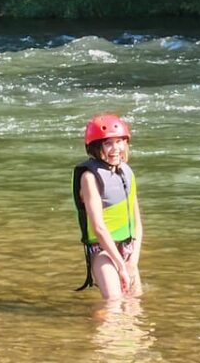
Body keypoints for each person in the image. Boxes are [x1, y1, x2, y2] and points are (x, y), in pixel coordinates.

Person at [72, 114, 143, 300]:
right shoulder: (89, 178)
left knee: (134, 306)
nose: (116, 149)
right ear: (96, 147)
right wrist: (120, 266)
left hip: (128, 249)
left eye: (119, 142)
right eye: (108, 143)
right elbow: (98, 227)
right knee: (113, 304)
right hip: (102, 250)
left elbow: (138, 224)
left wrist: (132, 261)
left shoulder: (126, 172)